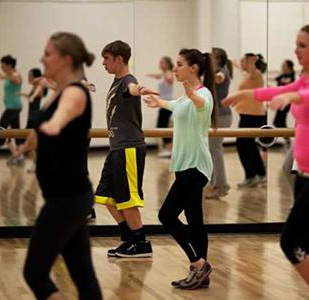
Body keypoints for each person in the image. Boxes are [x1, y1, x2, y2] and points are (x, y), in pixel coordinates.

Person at [223, 24, 309, 300]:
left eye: (303, 45)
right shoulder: (307, 77)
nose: (296, 50)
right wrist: (243, 95)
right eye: (296, 44)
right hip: (307, 175)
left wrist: (291, 96)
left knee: (291, 241)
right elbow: (272, 92)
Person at [15, 32, 102, 300]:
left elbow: (62, 115)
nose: (42, 58)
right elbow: (41, 126)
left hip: (67, 200)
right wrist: (24, 147)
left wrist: (54, 125)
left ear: (65, 59)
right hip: (69, 197)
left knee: (35, 273)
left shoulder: (75, 93)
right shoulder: (58, 91)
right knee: (83, 274)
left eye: (48, 53)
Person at [145, 48, 216, 289]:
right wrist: (159, 102)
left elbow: (201, 105)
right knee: (194, 219)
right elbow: (177, 105)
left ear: (193, 68)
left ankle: (198, 263)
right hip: (185, 165)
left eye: (179, 64)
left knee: (166, 215)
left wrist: (192, 96)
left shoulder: (203, 94)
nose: (174, 69)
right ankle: (201, 276)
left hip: (196, 166)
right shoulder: (186, 96)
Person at [95, 40, 158, 258]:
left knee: (128, 198)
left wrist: (141, 90)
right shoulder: (115, 82)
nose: (103, 63)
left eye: (106, 58)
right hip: (116, 148)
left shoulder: (127, 81)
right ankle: (129, 239)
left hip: (129, 148)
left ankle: (141, 243)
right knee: (106, 196)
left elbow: (133, 89)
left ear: (119, 59)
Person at [234, 53, 267, 187]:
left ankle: (253, 175)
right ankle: (257, 174)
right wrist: (236, 63)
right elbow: (241, 68)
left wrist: (252, 62)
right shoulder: (248, 75)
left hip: (254, 116)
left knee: (243, 145)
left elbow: (252, 70)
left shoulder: (256, 74)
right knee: (249, 146)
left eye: (244, 61)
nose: (241, 63)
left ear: (250, 63)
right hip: (246, 115)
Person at [204, 47, 233, 199]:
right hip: (215, 115)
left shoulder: (222, 71)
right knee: (211, 149)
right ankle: (213, 183)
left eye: (212, 56)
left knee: (215, 149)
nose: (210, 58)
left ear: (218, 58)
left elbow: (219, 77)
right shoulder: (214, 71)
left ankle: (220, 185)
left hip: (221, 116)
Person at [0, 55, 23, 165]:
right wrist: (0, 73)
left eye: (3, 65)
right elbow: (5, 76)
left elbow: (15, 79)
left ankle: (17, 155)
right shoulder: (8, 74)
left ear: (9, 65)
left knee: (0, 131)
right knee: (16, 132)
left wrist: (5, 76)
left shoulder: (16, 75)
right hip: (13, 107)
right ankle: (18, 156)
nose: (1, 67)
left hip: (13, 108)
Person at [18, 68, 48, 172]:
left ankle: (37, 164)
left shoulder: (39, 87)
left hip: (34, 119)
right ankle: (36, 163)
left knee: (28, 142)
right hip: (31, 118)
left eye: (30, 75)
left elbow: (37, 94)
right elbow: (31, 96)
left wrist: (33, 95)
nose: (29, 78)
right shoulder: (35, 87)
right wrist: (21, 94)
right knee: (28, 142)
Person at [147, 56, 174, 158]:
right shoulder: (163, 74)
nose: (160, 64)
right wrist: (149, 75)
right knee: (161, 125)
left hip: (167, 103)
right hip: (162, 104)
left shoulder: (168, 73)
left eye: (162, 62)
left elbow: (170, 78)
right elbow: (159, 76)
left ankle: (169, 148)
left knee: (162, 126)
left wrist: (169, 76)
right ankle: (168, 148)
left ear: (167, 64)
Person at [272, 59, 296, 129]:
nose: (282, 66)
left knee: (279, 121)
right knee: (277, 122)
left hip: (286, 102)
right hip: (280, 101)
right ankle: (287, 138)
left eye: (284, 65)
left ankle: (287, 138)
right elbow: (275, 80)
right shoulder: (282, 75)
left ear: (288, 67)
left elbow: (287, 84)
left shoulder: (291, 76)